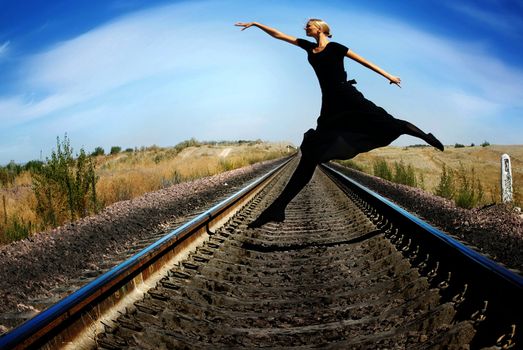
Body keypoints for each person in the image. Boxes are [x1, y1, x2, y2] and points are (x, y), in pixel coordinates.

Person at [235, 19, 444, 228]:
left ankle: (426, 137)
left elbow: (364, 61)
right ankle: (278, 208)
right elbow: (279, 35)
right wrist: (256, 24)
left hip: (348, 97)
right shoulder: (309, 47)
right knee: (311, 155)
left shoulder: (336, 47)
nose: (304, 28)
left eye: (308, 25)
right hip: (331, 105)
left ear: (319, 27)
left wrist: (389, 75)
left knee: (389, 123)